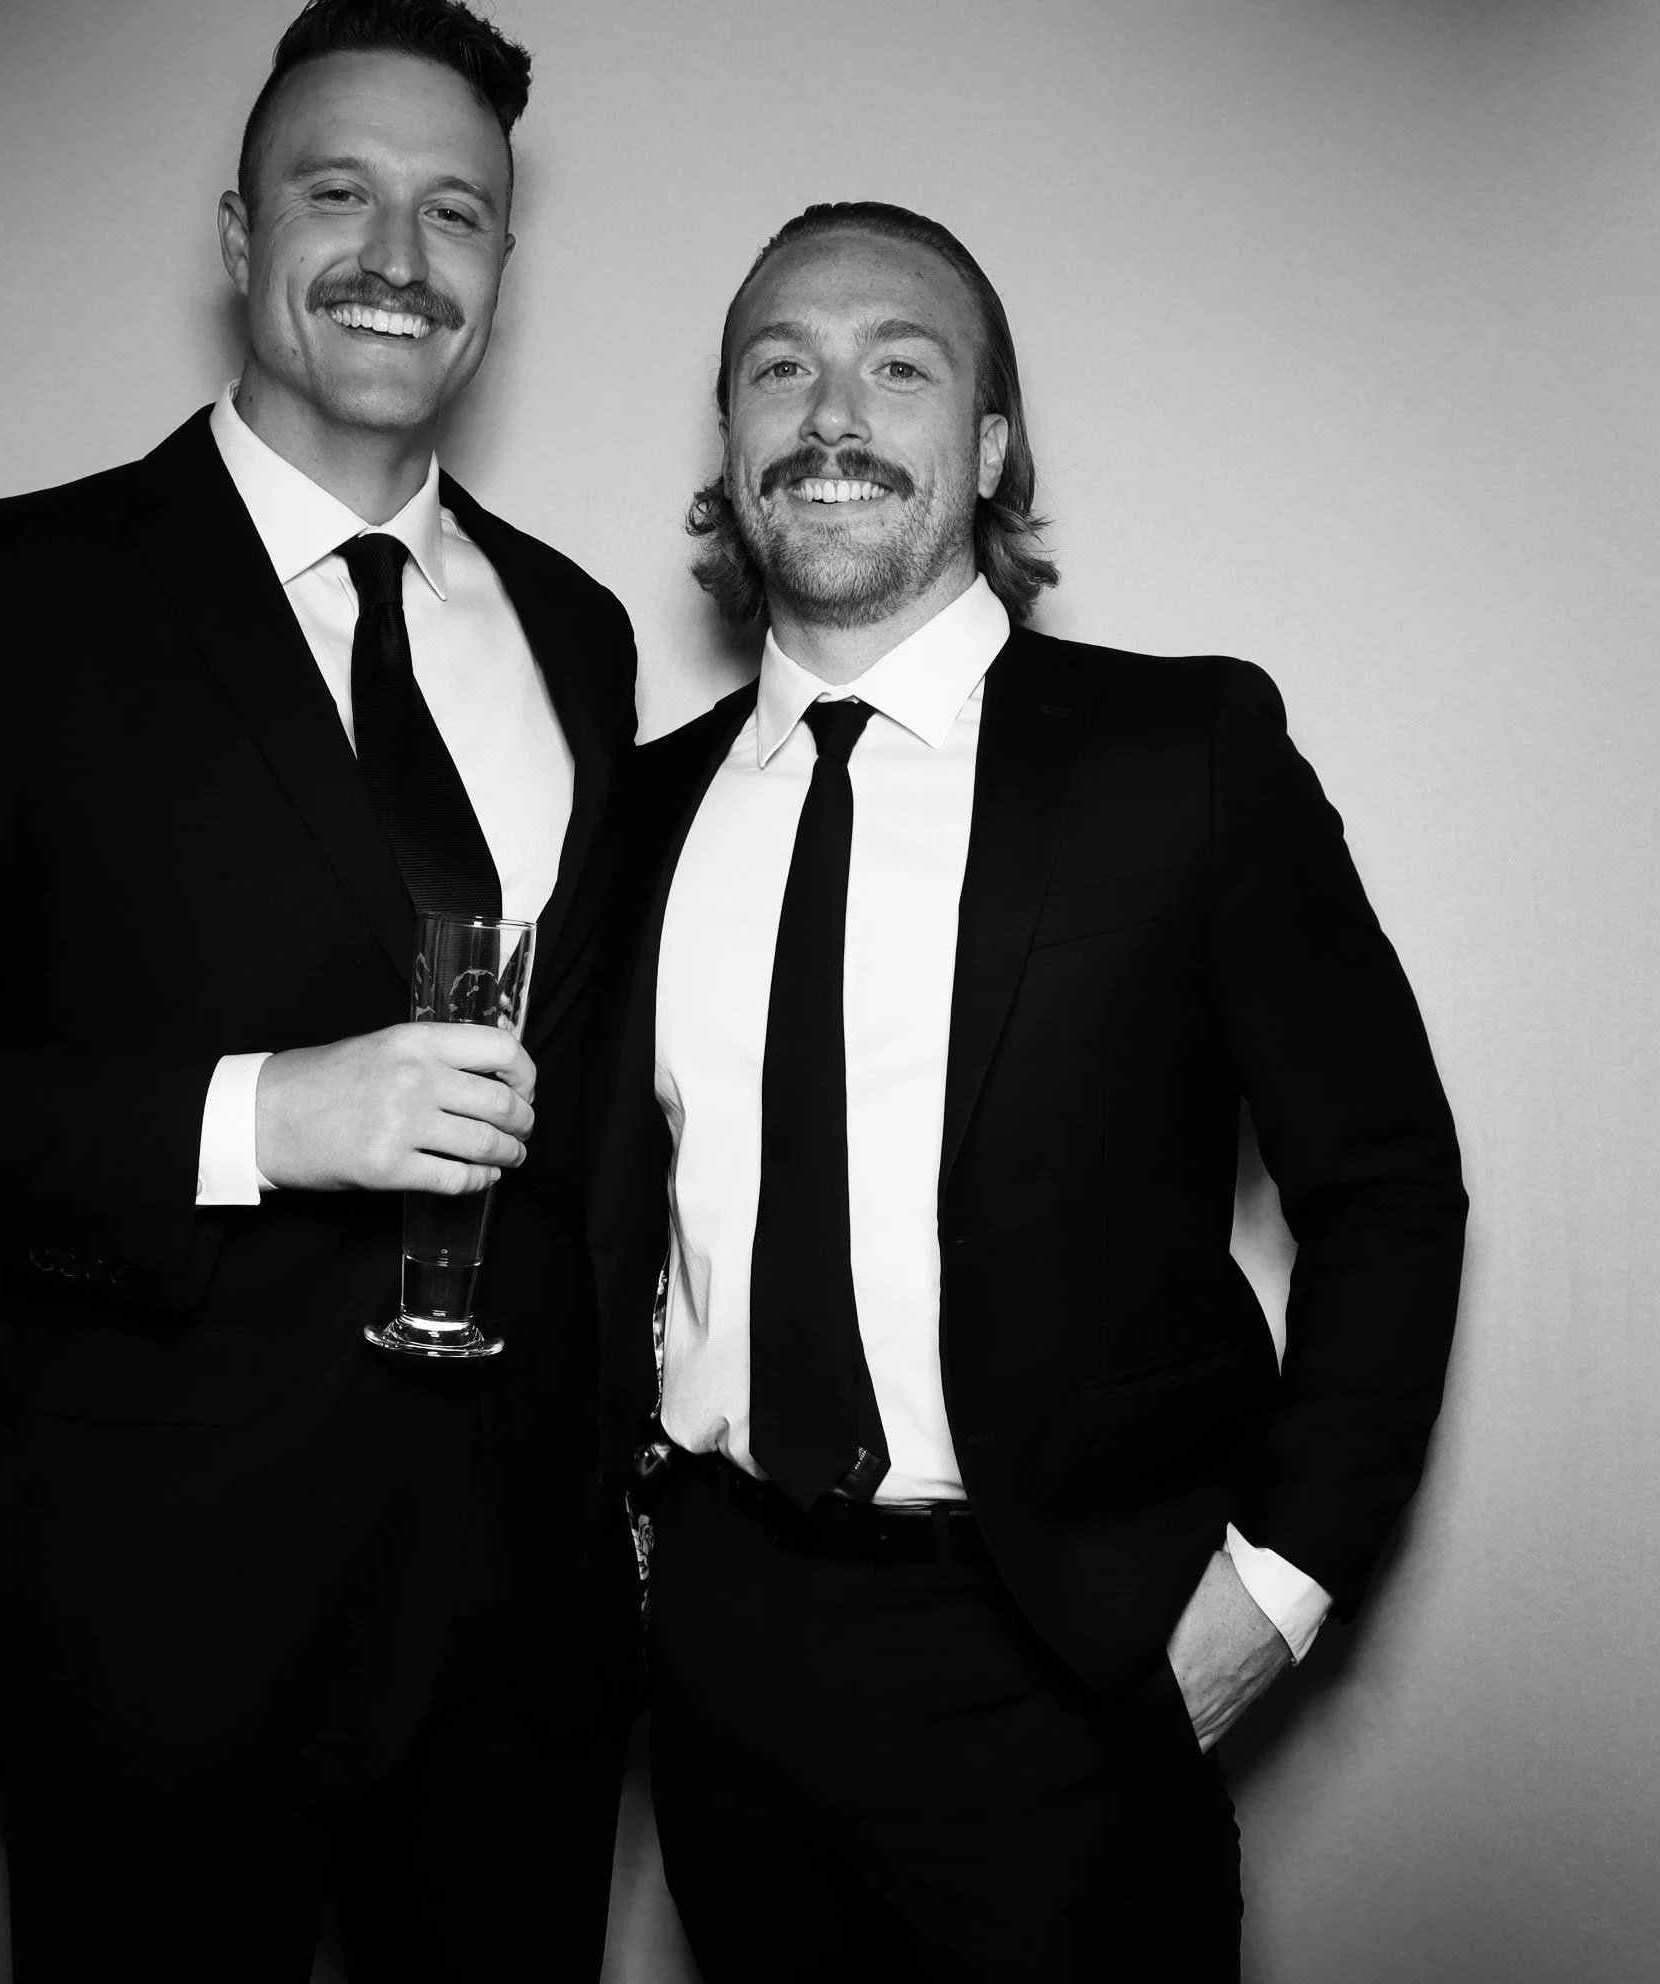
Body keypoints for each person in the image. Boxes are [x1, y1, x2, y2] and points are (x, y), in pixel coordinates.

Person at [0, 3, 640, 1977]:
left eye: (455, 214)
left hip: (525, 1660)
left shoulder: (580, 628)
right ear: (237, 233)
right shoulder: (5, 596)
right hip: (163, 1645)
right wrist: (252, 1118)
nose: (400, 257)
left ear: (498, 267)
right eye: (340, 194)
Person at [588, 201, 1467, 1981]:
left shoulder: (1183, 758)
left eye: (898, 365)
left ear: (986, 446)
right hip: (722, 1655)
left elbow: (1386, 1186)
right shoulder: (637, 809)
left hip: (1060, 1661)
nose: (832, 413)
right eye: (782, 368)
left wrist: (1277, 1593)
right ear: (735, 443)